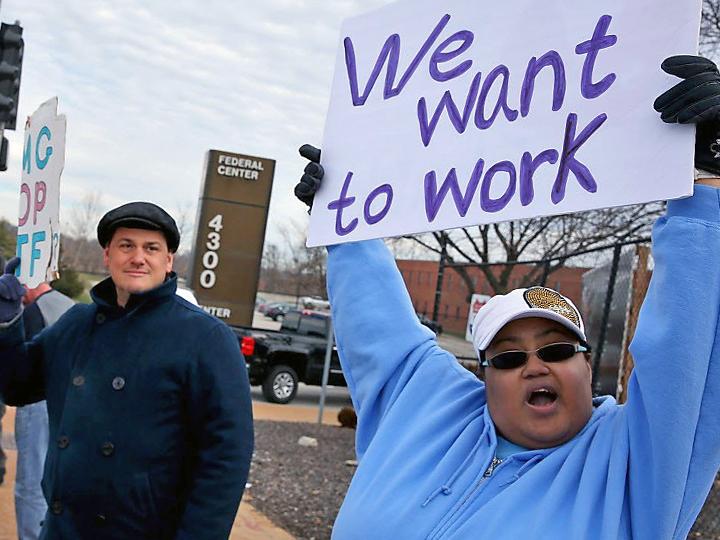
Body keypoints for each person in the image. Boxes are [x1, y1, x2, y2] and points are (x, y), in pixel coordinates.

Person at [295, 56, 720, 539]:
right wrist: (344, 220)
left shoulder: (636, 464)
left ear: (587, 367)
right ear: (484, 379)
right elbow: (379, 327)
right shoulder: (423, 409)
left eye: (557, 349)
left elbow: (690, 355)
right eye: (509, 357)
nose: (534, 366)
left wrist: (709, 185)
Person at [0, 201, 254, 539]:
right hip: (64, 529)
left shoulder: (206, 338)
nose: (138, 257)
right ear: (107, 255)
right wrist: (7, 323)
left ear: (168, 260)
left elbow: (226, 457)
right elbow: (17, 386)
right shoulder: (76, 323)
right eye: (126, 245)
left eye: (151, 248)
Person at [15, 281, 74, 540]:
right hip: (69, 400)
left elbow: (18, 370)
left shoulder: (32, 311)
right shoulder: (67, 305)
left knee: (31, 483)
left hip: (38, 401)